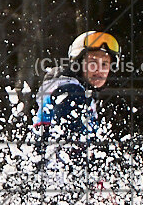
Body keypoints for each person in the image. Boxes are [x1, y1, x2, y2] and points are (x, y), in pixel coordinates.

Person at [33, 31, 120, 168]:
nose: (99, 70)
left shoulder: (81, 93)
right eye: (92, 62)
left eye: (104, 64)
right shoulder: (70, 92)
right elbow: (69, 146)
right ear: (78, 64)